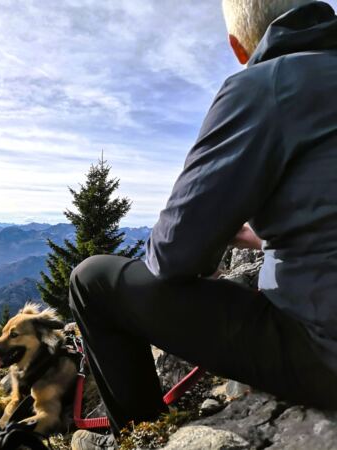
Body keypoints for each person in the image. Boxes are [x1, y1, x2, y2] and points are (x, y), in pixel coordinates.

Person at [69, 0, 337, 441]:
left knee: (92, 280)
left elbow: (172, 254)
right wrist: (264, 239)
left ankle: (142, 435)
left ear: (237, 46)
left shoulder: (264, 85)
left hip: (322, 351)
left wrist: (210, 242)